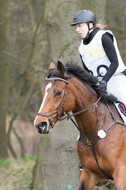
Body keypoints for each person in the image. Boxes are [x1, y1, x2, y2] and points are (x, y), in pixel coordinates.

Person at [71, 10, 126, 106]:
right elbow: (87, 72)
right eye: (76, 27)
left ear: (90, 25)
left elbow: (114, 62)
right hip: (98, 86)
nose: (77, 30)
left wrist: (105, 81)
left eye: (80, 26)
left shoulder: (103, 37)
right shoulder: (81, 48)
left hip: (116, 80)